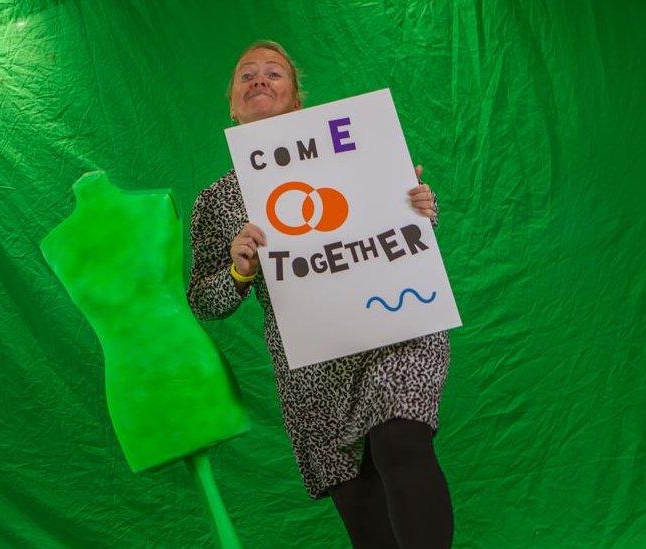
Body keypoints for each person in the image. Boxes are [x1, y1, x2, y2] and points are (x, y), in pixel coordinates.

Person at [188, 40, 453, 548]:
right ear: (232, 103)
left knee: (400, 440)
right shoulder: (216, 202)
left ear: (295, 100)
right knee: (363, 506)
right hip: (310, 360)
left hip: (393, 330)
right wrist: (239, 271)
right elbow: (205, 300)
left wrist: (414, 208)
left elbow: (398, 236)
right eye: (246, 75)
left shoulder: (357, 152)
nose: (259, 81)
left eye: (273, 74)